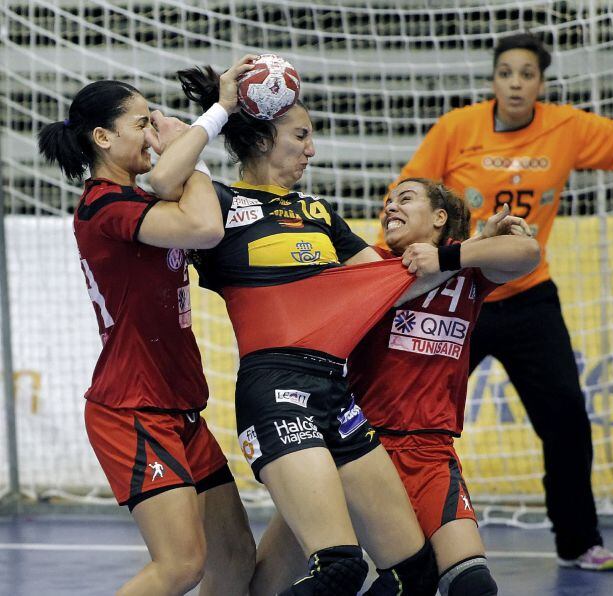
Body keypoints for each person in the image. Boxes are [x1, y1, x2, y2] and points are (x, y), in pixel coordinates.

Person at [388, 32, 613, 571]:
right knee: (413, 419)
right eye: (506, 72)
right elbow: (409, 190)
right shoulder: (456, 128)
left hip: (531, 300)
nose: (516, 82)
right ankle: (395, 536)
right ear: (493, 80)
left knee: (566, 422)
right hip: (458, 298)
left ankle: (578, 540)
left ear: (541, 83)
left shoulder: (566, 128)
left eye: (527, 74)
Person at [159, 64, 462, 596]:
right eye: (301, 136)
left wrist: (464, 253)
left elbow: (390, 285)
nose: (312, 151)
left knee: (414, 574)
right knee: (339, 568)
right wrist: (223, 108)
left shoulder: (319, 213)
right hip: (276, 392)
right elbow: (164, 179)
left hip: (336, 395)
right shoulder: (220, 204)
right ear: (261, 139)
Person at [249, 178, 541, 596]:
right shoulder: (372, 264)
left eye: (405, 199)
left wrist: (451, 255)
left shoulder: (465, 276)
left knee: (472, 586)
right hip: (358, 448)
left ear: (440, 218)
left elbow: (527, 253)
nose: (389, 208)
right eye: (386, 202)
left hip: (429, 452)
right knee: (275, 580)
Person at [37, 57, 259, 595]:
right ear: (102, 138)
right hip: (132, 408)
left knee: (234, 557)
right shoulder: (103, 206)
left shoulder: (140, 199)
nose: (153, 128)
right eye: (141, 122)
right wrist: (210, 127)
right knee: (181, 565)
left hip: (177, 404)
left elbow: (192, 209)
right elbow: (204, 226)